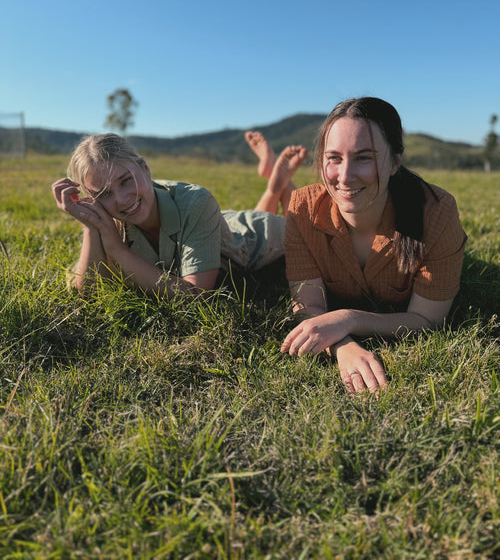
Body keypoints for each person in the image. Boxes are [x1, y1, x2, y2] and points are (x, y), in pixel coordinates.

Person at [281, 97, 467, 393]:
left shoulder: (437, 211)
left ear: (394, 162)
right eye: (334, 158)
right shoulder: (302, 209)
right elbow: (309, 306)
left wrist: (349, 318)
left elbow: (428, 319)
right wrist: (342, 344)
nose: (344, 176)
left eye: (363, 158)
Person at [52, 132, 307, 298]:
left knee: (301, 225)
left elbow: (197, 296)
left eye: (126, 181)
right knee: (235, 229)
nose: (121, 199)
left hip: (260, 237)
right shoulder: (109, 216)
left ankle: (278, 183)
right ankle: (274, 181)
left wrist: (118, 251)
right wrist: (91, 226)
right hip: (215, 226)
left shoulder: (196, 201)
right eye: (104, 194)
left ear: (145, 169)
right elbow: (87, 292)